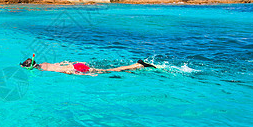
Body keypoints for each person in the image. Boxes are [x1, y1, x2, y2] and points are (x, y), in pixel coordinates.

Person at [20, 57, 156, 75]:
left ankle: (138, 65)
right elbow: (62, 64)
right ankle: (133, 67)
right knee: (108, 70)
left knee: (110, 70)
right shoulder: (44, 63)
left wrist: (83, 74)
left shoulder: (43, 68)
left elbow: (65, 71)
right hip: (76, 64)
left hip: (76, 69)